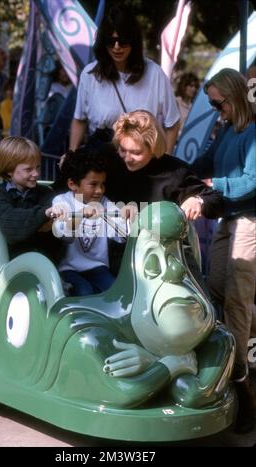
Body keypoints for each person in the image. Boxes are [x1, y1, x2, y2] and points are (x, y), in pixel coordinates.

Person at [190, 68, 256, 434]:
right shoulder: (227, 130)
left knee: (235, 300)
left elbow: (251, 180)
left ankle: (240, 382)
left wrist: (215, 184)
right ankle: (235, 353)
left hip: (249, 219)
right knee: (213, 287)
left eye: (218, 103)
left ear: (233, 97)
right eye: (213, 105)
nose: (217, 111)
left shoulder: (253, 132)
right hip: (228, 218)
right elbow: (202, 163)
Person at [108, 110, 225, 295]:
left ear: (153, 147)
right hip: (120, 254)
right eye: (123, 150)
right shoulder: (111, 161)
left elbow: (216, 201)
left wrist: (198, 200)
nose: (127, 158)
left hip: (169, 255)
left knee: (200, 304)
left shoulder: (174, 172)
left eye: (136, 153)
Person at [69, 6, 180, 154]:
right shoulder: (89, 74)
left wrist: (164, 161)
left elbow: (172, 123)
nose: (117, 47)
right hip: (102, 161)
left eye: (123, 41)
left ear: (133, 41)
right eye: (111, 41)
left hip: (141, 163)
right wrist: (71, 156)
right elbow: (79, 119)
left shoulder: (155, 74)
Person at [51, 148, 126, 296]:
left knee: (114, 292)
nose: (100, 190)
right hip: (68, 268)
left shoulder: (105, 203)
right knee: (84, 291)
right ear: (73, 184)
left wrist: (128, 215)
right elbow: (64, 235)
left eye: (102, 184)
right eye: (93, 184)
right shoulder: (62, 202)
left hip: (97, 267)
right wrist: (80, 215)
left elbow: (122, 235)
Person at [0, 136, 57, 261]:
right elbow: (10, 226)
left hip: (44, 260)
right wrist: (44, 214)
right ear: (9, 170)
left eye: (37, 167)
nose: (36, 174)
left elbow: (52, 227)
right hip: (13, 262)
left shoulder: (45, 192)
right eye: (28, 169)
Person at [175, 72, 199, 136]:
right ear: (184, 86)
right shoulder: (176, 102)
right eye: (191, 86)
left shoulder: (195, 105)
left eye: (196, 87)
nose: (194, 89)